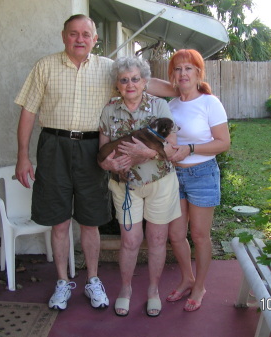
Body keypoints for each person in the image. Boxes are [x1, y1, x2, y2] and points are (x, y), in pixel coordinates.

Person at [14, 14, 175, 311]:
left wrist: (184, 88)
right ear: (64, 36)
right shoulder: (45, 66)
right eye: (73, 34)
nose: (79, 39)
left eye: (86, 34)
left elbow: (140, 82)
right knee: (59, 220)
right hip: (53, 146)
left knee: (90, 220)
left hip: (92, 148)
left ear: (94, 39)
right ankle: (63, 282)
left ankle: (93, 280)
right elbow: (28, 112)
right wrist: (23, 156)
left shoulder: (106, 68)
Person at [98, 57, 181, 317]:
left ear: (145, 82)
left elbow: (172, 149)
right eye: (124, 80)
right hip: (125, 186)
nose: (130, 84)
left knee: (157, 239)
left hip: (159, 182)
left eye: (135, 79)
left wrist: (146, 152)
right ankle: (125, 289)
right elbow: (101, 155)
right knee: (130, 241)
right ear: (117, 84)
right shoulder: (109, 110)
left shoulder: (160, 107)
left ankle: (153, 291)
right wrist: (108, 166)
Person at [166, 49, 230, 312]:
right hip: (175, 175)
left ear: (199, 73)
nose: (183, 74)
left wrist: (190, 148)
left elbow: (223, 143)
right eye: (178, 69)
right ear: (172, 75)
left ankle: (200, 286)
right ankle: (186, 279)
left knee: (200, 236)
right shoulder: (171, 106)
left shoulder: (209, 102)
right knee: (176, 234)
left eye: (188, 68)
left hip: (202, 173)